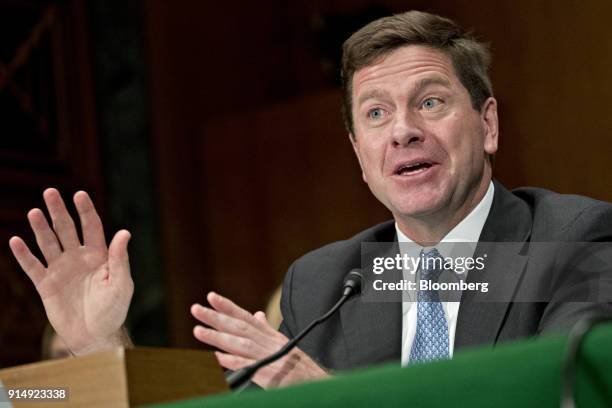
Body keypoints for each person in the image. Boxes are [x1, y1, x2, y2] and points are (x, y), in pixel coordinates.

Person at [8, 10, 612, 390]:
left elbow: (560, 394)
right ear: (358, 152)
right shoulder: (325, 283)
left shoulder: (575, 241)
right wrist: (101, 346)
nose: (403, 130)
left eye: (430, 102)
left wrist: (325, 395)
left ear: (488, 126)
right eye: (376, 114)